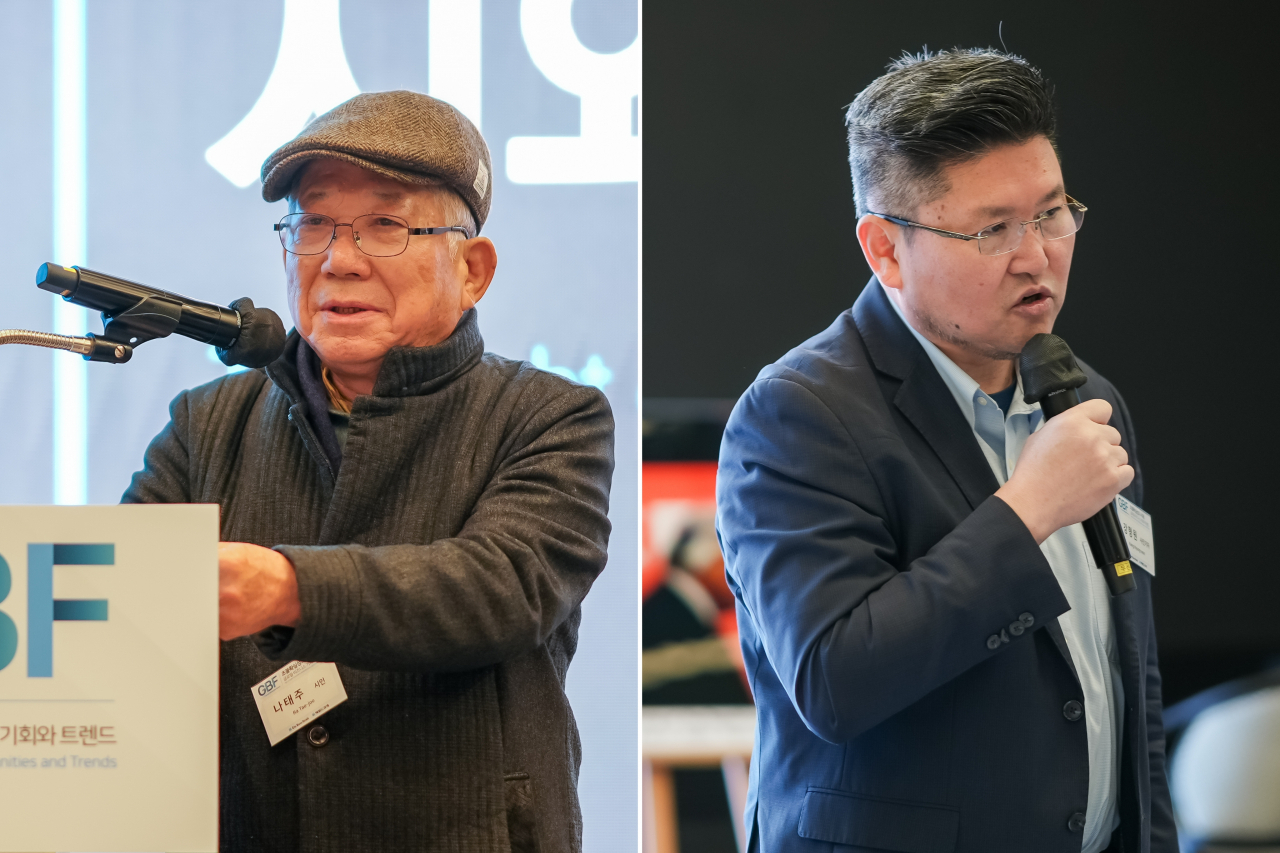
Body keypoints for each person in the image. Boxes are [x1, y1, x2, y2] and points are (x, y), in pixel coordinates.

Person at [124, 90, 615, 853]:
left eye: (384, 225)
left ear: (474, 268)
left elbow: (500, 588)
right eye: (313, 223)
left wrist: (285, 587)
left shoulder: (549, 415)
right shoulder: (206, 423)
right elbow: (127, 604)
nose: (338, 258)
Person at [716, 50, 1176, 852]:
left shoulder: (1085, 397)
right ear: (885, 248)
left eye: (1052, 211)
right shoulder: (797, 413)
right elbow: (833, 678)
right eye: (992, 229)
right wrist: (1027, 510)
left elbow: (1127, 675)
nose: (1036, 255)